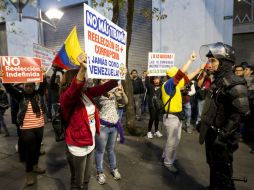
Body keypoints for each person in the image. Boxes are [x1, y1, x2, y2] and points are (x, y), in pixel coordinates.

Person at [60, 52, 118, 190]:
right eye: (83, 78)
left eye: (85, 78)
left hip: (90, 143)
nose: (86, 81)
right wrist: (83, 68)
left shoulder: (86, 93)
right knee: (77, 181)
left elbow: (104, 87)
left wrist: (118, 74)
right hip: (78, 146)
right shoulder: (66, 98)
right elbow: (75, 88)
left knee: (86, 179)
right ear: (72, 80)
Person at [198, 42, 250, 190]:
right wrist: (204, 123)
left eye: (213, 60)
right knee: (213, 165)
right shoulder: (218, 82)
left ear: (225, 62)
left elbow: (240, 113)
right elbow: (213, 106)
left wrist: (224, 135)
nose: (210, 64)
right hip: (212, 133)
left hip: (224, 139)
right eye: (209, 60)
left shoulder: (235, 83)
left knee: (223, 173)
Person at [161, 52, 202, 173]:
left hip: (175, 117)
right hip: (171, 118)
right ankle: (168, 162)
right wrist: (190, 60)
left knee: (173, 141)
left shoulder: (175, 85)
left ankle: (166, 156)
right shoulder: (168, 84)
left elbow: (188, 77)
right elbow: (181, 74)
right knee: (172, 141)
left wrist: (199, 68)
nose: (182, 76)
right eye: (178, 75)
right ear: (172, 76)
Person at [2, 77, 47, 186]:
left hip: (39, 126)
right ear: (23, 86)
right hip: (27, 128)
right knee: (29, 151)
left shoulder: (38, 94)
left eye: (31, 85)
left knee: (37, 149)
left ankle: (35, 166)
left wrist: (43, 76)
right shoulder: (20, 95)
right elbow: (9, 88)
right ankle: (29, 173)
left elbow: (43, 85)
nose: (28, 88)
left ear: (33, 86)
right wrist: (3, 78)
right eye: (26, 86)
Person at [94, 79, 127, 185]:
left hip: (114, 126)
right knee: (100, 151)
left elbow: (125, 102)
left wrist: (122, 92)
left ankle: (114, 168)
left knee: (111, 149)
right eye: (103, 80)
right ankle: (100, 172)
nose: (105, 81)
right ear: (99, 82)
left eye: (107, 80)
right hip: (102, 126)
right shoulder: (97, 93)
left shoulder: (114, 91)